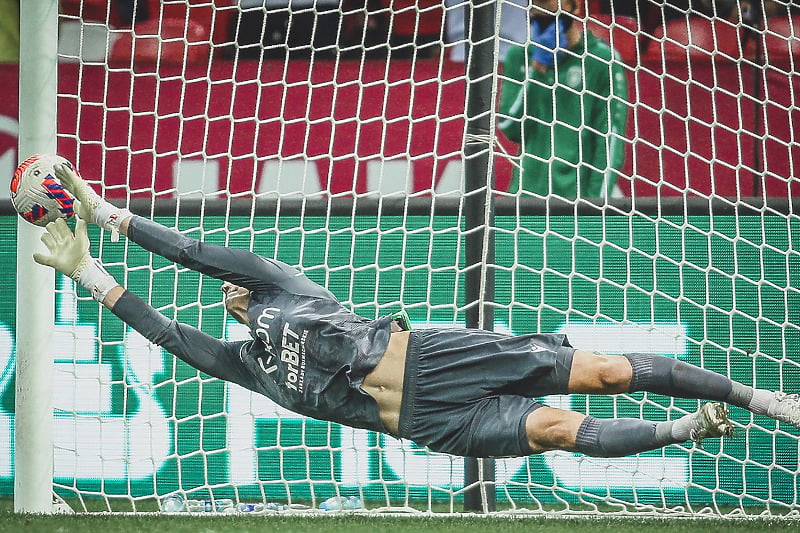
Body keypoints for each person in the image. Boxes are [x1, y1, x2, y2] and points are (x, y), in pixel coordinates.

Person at [32, 163, 800, 459]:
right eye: (227, 298)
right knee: (560, 428)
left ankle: (762, 398)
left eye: (235, 288)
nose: (227, 293)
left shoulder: (289, 289)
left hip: (438, 356)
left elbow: (196, 253)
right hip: (431, 425)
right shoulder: (247, 364)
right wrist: (93, 276)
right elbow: (169, 334)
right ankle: (686, 429)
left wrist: (110, 216)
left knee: (601, 371)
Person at [498, 0, 629, 198]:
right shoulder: (519, 57)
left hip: (576, 199)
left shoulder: (602, 61)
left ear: (574, 8)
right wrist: (537, 70)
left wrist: (595, 207)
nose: (542, 15)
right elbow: (511, 127)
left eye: (550, 9)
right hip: (525, 197)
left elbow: (610, 140)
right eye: (536, 8)